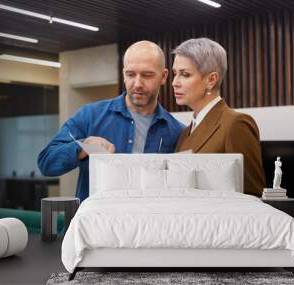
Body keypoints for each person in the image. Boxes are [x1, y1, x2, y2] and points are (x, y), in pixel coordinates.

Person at [38, 41, 184, 202]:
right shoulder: (90, 115)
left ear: (163, 76)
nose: (137, 84)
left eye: (147, 75)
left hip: (146, 224)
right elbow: (46, 162)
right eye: (130, 74)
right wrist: (82, 147)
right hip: (95, 224)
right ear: (123, 74)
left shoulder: (177, 132)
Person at [172, 38, 265, 197]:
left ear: (211, 79)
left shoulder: (236, 124)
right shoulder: (184, 133)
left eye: (185, 75)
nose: (175, 82)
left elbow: (252, 194)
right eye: (175, 74)